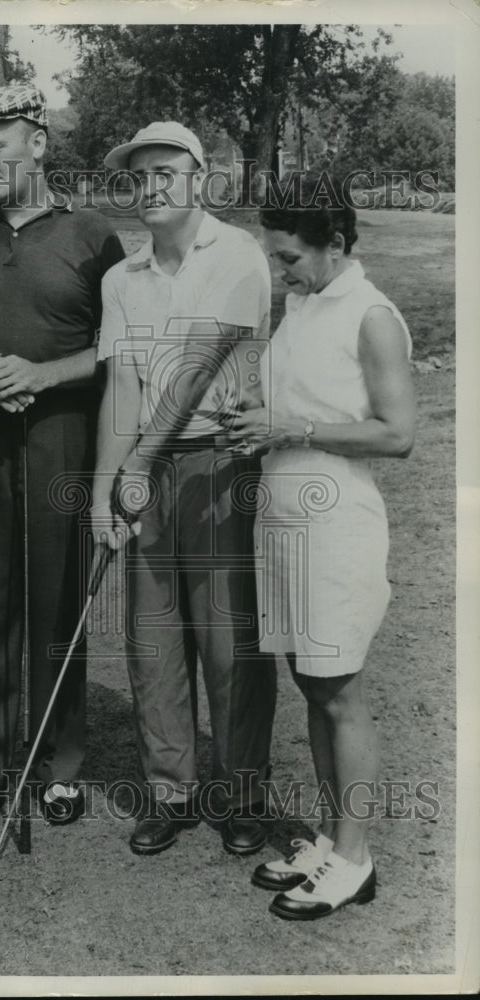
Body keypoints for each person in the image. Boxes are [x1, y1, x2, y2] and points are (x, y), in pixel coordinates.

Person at [0, 85, 125, 835]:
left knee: (58, 604)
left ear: (37, 142)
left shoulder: (93, 233)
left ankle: (58, 765)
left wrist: (43, 373)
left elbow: (120, 350)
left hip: (64, 441)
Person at [231, 177, 416, 919]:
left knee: (342, 692)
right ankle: (332, 840)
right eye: (276, 260)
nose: (281, 273)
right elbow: (300, 401)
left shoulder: (372, 315)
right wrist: (259, 412)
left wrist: (292, 430)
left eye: (290, 258)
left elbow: (398, 434)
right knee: (312, 684)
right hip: (283, 517)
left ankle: (357, 858)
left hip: (337, 523)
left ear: (335, 243)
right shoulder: (304, 304)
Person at [92, 122, 277, 857]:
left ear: (202, 179)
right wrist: (108, 487)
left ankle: (240, 792)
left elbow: (195, 371)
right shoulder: (122, 277)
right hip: (148, 468)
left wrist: (135, 464)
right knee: (154, 637)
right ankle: (170, 790)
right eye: (139, 177)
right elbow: (122, 386)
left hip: (222, 461)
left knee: (231, 641)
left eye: (167, 172)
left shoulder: (237, 254)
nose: (151, 187)